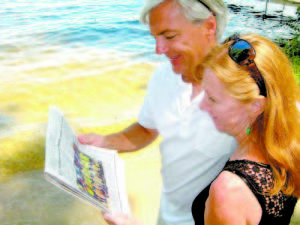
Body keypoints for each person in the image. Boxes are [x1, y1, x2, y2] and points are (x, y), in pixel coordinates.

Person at [104, 33, 300, 225]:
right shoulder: (287, 136)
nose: (202, 106)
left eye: (213, 99)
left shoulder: (228, 191)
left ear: (256, 106)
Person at [78, 0, 236, 225]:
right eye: (155, 37)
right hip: (167, 216)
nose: (158, 49)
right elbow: (145, 130)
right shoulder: (164, 76)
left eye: (169, 36)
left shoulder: (245, 93)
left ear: (209, 27)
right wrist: (103, 142)